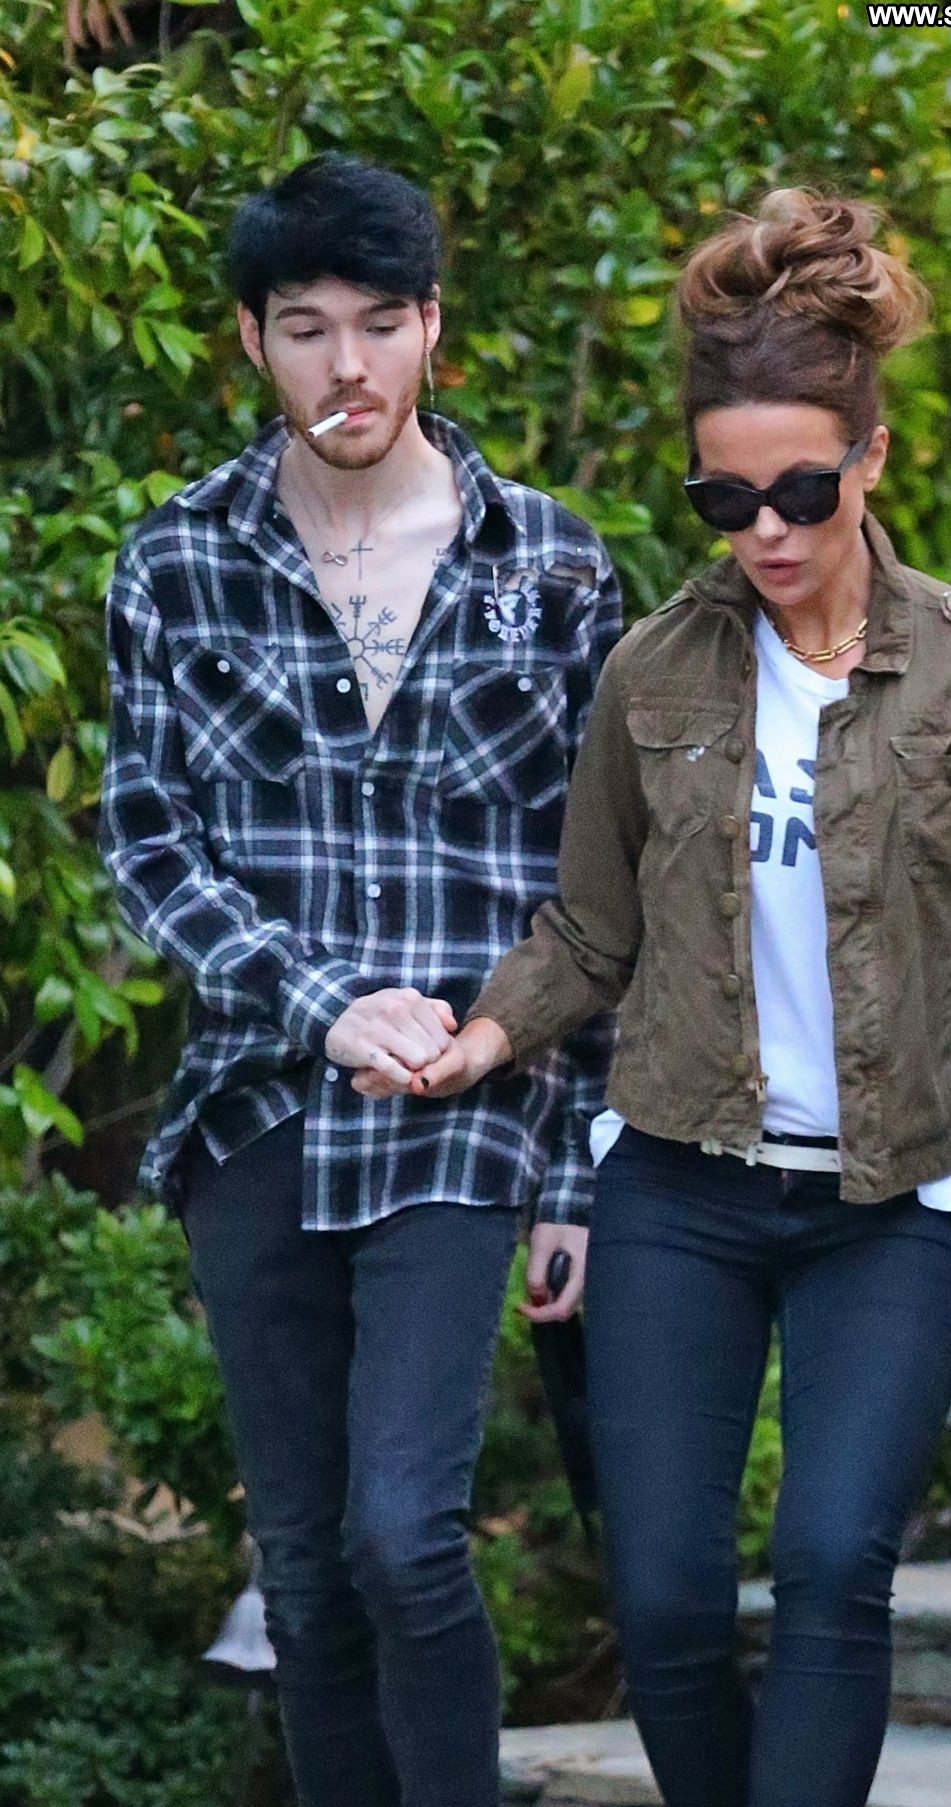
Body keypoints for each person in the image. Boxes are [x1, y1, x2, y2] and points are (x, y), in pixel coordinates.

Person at [357, 189, 951, 1807]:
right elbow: (591, 929)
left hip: (891, 1203)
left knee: (837, 1565)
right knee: (664, 1604)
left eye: (799, 490)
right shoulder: (653, 671)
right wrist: (473, 1039)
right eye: (726, 497)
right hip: (680, 1189)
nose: (767, 531)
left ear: (871, 458)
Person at [98, 154, 621, 1807]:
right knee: (308, 1571)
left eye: (381, 324)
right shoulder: (175, 562)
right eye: (307, 327)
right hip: (259, 1104)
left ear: (433, 329)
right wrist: (320, 1002)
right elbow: (148, 848)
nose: (348, 365)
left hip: (468, 1104)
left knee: (405, 1534)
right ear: (251, 340)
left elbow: (604, 892)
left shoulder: (554, 568)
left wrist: (578, 1173)